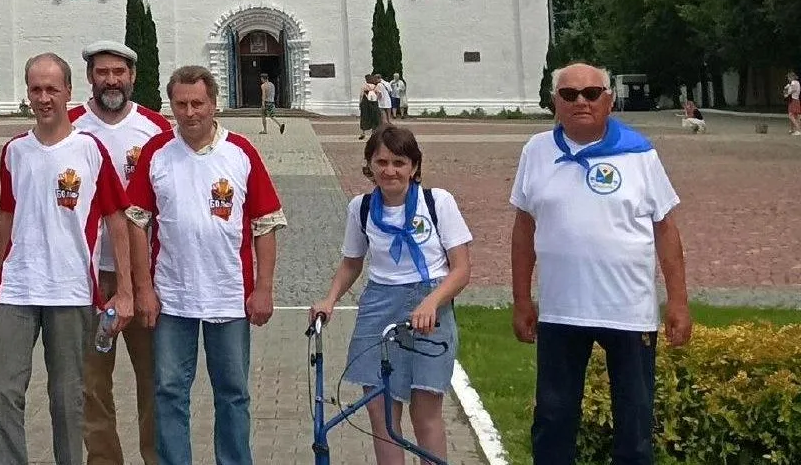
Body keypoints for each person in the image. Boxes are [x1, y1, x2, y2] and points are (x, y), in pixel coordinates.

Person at [510, 62, 691, 465]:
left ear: (608, 100)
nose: (581, 102)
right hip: (561, 312)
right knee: (553, 421)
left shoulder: (640, 152)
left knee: (635, 426)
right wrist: (522, 299)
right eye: (569, 94)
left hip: (629, 312)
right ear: (554, 101)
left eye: (591, 93)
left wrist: (678, 301)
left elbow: (666, 229)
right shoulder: (536, 151)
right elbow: (523, 230)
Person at [126, 65, 287, 465]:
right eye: (180, 104)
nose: (190, 112)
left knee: (233, 393)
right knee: (168, 391)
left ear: (214, 104)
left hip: (229, 296)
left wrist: (263, 288)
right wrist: (144, 289)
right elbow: (136, 222)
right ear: (172, 106)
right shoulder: (157, 152)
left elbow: (265, 224)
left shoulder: (241, 153)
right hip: (172, 297)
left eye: (198, 103)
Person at [0, 53, 133, 465]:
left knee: (68, 398)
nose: (44, 97)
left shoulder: (90, 150)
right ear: (28, 95)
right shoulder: (15, 150)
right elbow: (7, 216)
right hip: (19, 289)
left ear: (69, 91)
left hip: (71, 290)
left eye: (53, 88)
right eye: (36, 89)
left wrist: (124, 289)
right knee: (3, 390)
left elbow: (116, 220)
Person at [308, 125, 472, 465]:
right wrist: (330, 298)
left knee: (425, 412)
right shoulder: (362, 207)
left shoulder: (437, 202)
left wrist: (431, 302)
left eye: (399, 162)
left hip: (430, 306)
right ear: (370, 165)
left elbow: (461, 269)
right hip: (378, 306)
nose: (390, 170)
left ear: (413, 166)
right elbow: (352, 262)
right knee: (381, 415)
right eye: (381, 162)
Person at [68, 41, 171, 465]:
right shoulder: (71, 126)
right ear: (90, 76)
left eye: (119, 72)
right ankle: (104, 460)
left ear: (132, 77)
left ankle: (157, 457)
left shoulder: (154, 128)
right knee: (91, 384)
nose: (111, 80)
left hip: (146, 276)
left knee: (155, 380)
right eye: (103, 72)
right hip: (91, 275)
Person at [786, 70, 800, 135]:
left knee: (791, 115)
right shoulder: (797, 82)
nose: (788, 79)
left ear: (791, 77)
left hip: (793, 100)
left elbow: (790, 91)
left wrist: (787, 89)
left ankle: (798, 130)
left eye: (788, 77)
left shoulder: (793, 83)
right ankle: (792, 129)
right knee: (796, 116)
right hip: (796, 100)